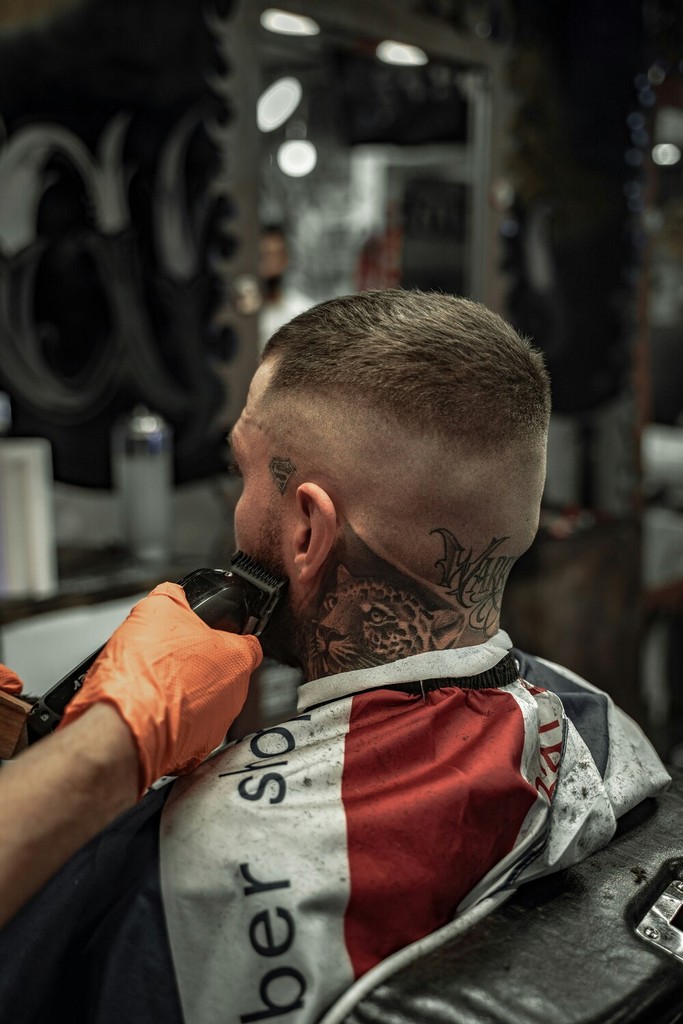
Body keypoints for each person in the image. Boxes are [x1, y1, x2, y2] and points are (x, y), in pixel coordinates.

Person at [0, 289, 669, 1024]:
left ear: (307, 530)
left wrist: (108, 751)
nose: (236, 506)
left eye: (242, 472)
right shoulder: (601, 726)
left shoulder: (193, 861)